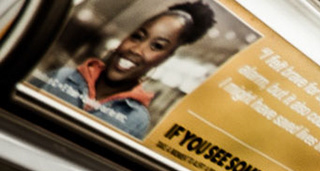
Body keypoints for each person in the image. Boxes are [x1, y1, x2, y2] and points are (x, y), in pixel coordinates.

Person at [29, 1, 215, 140]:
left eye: (157, 46)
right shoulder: (63, 76)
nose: (135, 49)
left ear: (165, 58)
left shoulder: (136, 119)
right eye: (137, 36)